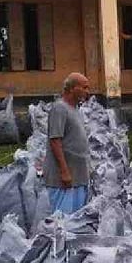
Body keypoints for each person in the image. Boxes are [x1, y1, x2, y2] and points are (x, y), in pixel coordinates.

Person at [43, 73, 91, 214]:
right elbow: (55, 140)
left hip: (78, 176)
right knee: (62, 221)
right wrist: (64, 171)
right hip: (63, 179)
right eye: (84, 87)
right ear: (71, 88)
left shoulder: (75, 109)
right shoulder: (59, 108)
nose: (87, 91)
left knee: (76, 221)